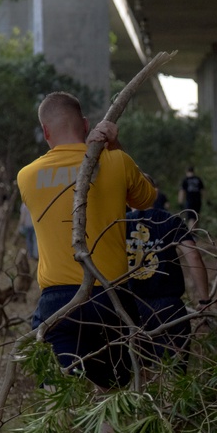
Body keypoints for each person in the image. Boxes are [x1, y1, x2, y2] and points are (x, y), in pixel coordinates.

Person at [17, 91, 156, 390]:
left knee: (60, 389)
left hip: (58, 302)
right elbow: (146, 200)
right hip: (112, 295)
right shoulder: (117, 161)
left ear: (45, 131)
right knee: (113, 389)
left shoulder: (27, 176)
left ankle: (66, 431)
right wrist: (115, 148)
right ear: (85, 124)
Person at [126, 197, 210, 369]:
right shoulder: (170, 220)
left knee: (138, 372)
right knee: (173, 371)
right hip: (168, 308)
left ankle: (145, 395)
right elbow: (193, 255)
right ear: (151, 194)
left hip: (130, 308)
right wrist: (204, 300)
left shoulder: (118, 223)